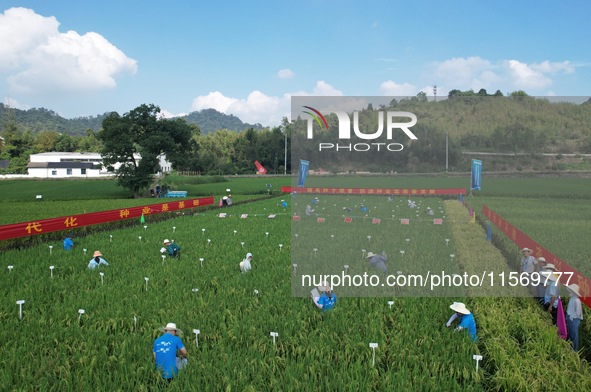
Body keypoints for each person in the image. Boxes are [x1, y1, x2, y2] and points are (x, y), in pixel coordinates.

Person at [565, 283, 583, 351]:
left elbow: (578, 312)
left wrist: (571, 317)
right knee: (570, 333)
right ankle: (570, 348)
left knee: (574, 335)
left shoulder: (577, 300)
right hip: (570, 317)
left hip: (574, 319)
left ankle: (575, 350)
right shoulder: (572, 298)